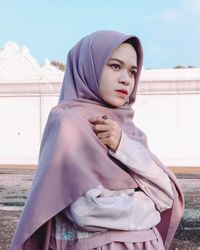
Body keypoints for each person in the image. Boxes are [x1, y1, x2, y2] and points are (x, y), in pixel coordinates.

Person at [10, 30, 184, 250]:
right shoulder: (69, 122)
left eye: (132, 71)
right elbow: (87, 210)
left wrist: (122, 145)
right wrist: (149, 206)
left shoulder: (128, 130)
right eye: (115, 66)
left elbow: (166, 194)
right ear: (88, 67)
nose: (126, 79)